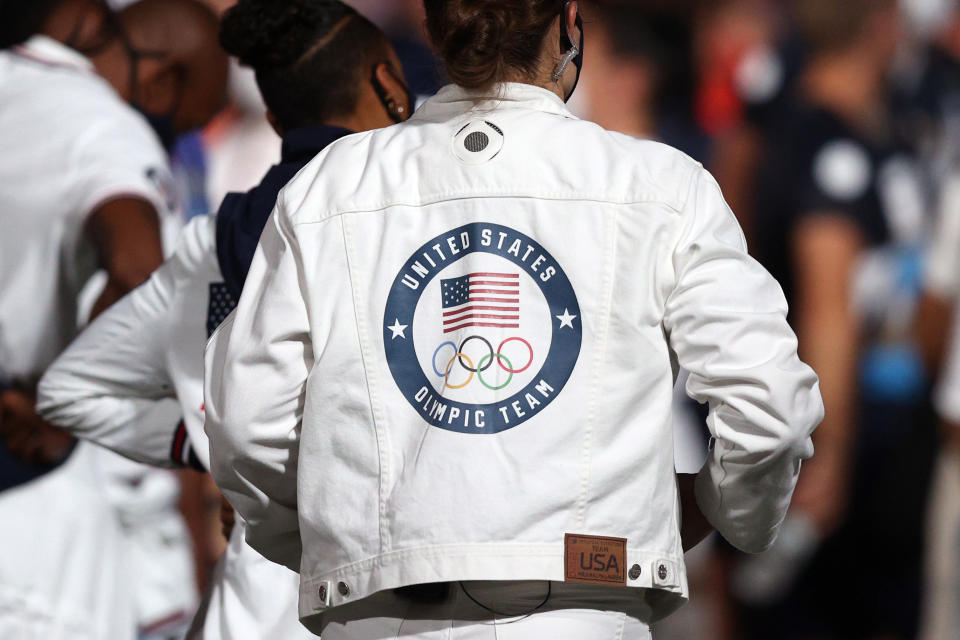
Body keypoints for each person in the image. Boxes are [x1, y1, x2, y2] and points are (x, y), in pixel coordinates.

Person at [203, 0, 824, 637]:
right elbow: (769, 410)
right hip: (586, 603)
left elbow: (247, 420)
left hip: (381, 614)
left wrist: (334, 545)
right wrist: (716, 509)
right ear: (569, 22)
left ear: (435, 27)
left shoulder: (326, 189)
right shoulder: (661, 185)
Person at [37, 1, 413, 637]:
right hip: (388, 591)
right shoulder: (416, 224)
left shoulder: (208, 244)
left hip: (252, 601)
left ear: (271, 117)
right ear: (390, 86)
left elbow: (69, 389)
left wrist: (213, 453)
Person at [0, 1, 227, 637]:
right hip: (40, 515)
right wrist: (59, 398)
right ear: (159, 81)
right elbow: (135, 268)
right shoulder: (104, 127)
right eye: (187, 123)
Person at [735, 1, 936, 638]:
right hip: (846, 435)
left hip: (889, 427)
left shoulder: (880, 121)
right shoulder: (821, 137)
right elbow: (830, 305)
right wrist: (830, 450)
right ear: (877, 24)